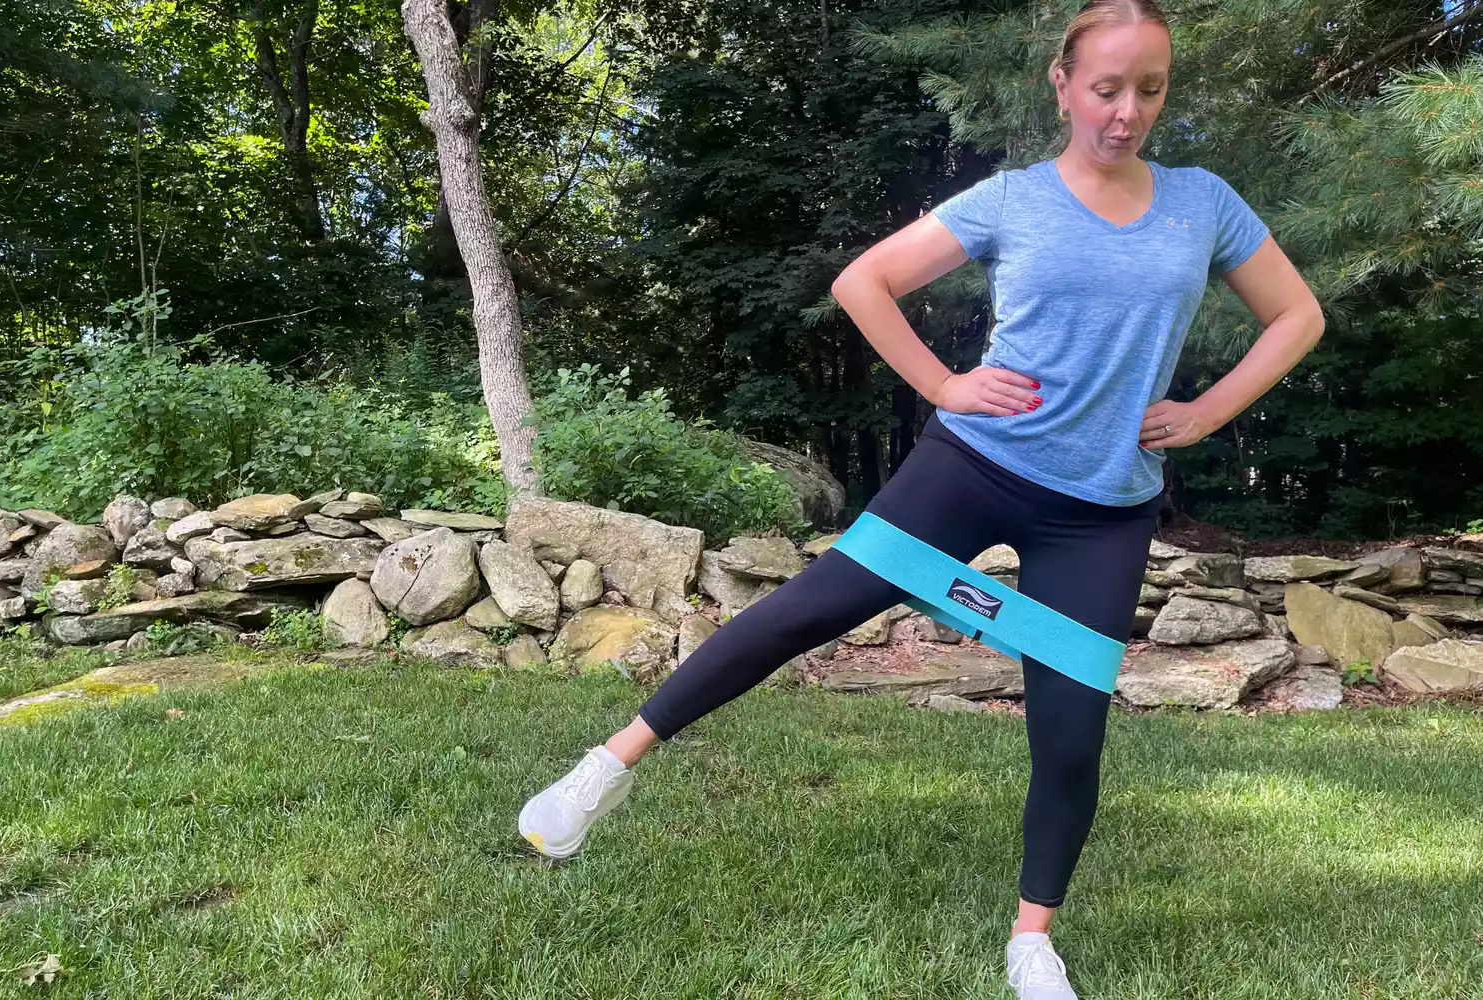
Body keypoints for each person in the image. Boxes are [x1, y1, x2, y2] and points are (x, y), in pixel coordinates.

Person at [518, 0, 1324, 995]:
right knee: (803, 611)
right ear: (1063, 85)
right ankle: (605, 768)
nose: (1126, 112)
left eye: (1149, 90)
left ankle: (1031, 940)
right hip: (973, 466)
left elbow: (1297, 314)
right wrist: (943, 385)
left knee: (1071, 731)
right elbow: (865, 282)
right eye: (1106, 88)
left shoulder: (1203, 203)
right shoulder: (1012, 200)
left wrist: (1205, 412)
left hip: (1101, 509)